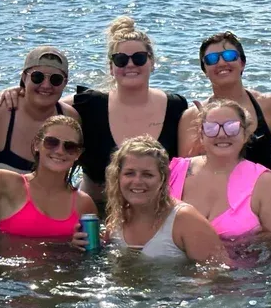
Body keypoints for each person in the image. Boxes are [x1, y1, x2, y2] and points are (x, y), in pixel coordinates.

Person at [74, 17, 190, 202]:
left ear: (152, 62)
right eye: (120, 60)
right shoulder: (88, 105)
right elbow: (45, 103)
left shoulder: (176, 107)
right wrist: (16, 94)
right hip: (96, 213)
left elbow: (189, 167)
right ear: (111, 68)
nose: (130, 65)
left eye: (139, 58)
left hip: (154, 213)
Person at [168, 99, 271, 240]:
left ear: (245, 135)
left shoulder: (265, 182)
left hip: (240, 261)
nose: (222, 134)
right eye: (211, 128)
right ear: (201, 135)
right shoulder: (174, 171)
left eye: (232, 127)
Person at [103, 136, 228, 263]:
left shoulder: (185, 220)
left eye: (147, 174)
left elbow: (217, 272)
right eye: (129, 173)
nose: (137, 181)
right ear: (118, 177)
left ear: (162, 179)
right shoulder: (117, 218)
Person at [178, 31, 271, 168]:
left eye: (230, 56)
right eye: (212, 59)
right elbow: (184, 173)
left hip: (262, 188)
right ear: (204, 70)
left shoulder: (270, 105)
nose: (222, 62)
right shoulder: (192, 117)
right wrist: (202, 143)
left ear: (242, 63)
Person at [0, 46, 78, 174]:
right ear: (24, 77)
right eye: (37, 77)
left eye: (56, 79)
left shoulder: (71, 119)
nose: (46, 85)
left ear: (65, 83)